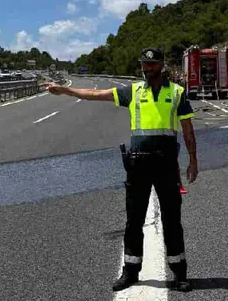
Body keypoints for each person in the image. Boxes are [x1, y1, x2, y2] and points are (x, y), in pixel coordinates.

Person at [45, 48, 197, 292]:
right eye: (144, 65)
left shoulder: (177, 92)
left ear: (162, 65)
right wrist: (66, 90)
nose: (147, 69)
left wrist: (193, 160)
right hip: (138, 166)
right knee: (134, 220)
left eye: (152, 64)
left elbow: (188, 129)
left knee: (172, 220)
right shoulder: (133, 91)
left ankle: (180, 273)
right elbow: (97, 94)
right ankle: (131, 271)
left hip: (166, 165)